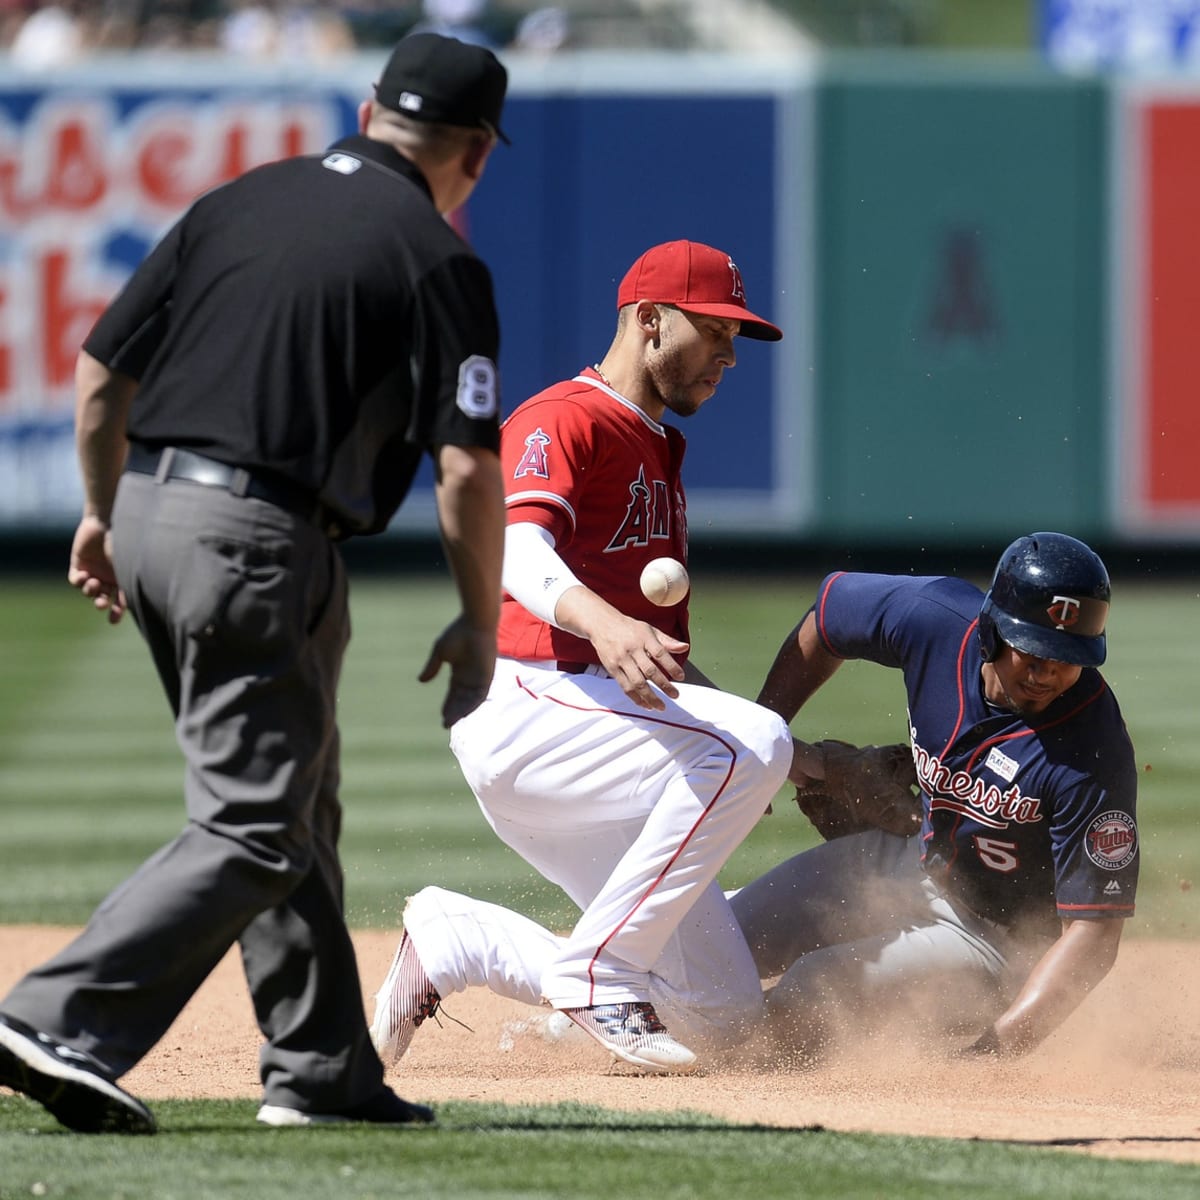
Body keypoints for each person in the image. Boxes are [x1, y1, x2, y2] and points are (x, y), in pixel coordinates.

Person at [0, 31, 510, 1134]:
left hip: (149, 510)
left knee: (295, 803)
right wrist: (479, 617)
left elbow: (101, 374)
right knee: (256, 828)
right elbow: (467, 464)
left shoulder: (235, 200)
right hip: (262, 539)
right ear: (474, 149)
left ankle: (323, 1070)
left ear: (372, 108)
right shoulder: (435, 252)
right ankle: (58, 1017)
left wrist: (98, 512)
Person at [370, 239, 802, 1074]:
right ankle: (601, 972)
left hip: (590, 734)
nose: (727, 356)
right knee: (754, 746)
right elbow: (514, 545)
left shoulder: (654, 449)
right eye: (713, 331)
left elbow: (654, 663)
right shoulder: (566, 416)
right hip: (526, 704)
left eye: (734, 339)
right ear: (648, 321)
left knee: (724, 1021)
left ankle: (457, 941)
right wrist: (602, 623)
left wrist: (796, 761)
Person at [730, 531, 1138, 1061]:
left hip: (998, 943)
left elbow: (1094, 937)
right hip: (911, 862)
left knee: (805, 998)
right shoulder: (935, 620)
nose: (1047, 672)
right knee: (718, 940)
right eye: (1032, 651)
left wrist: (997, 1051)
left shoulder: (1092, 752)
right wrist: (764, 738)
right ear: (992, 629)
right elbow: (828, 618)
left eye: (1068, 656)